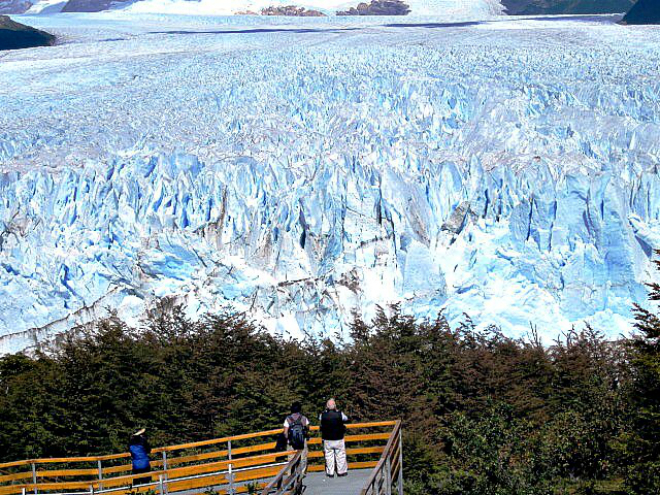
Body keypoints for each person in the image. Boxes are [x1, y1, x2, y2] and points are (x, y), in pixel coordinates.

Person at [319, 398, 349, 478]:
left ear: (327, 406)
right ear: (335, 405)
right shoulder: (340, 414)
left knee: (328, 456)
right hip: (338, 437)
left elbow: (320, 420)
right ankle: (341, 472)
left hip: (327, 438)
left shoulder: (322, 415)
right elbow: (346, 419)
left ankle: (330, 472)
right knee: (340, 455)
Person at [283, 402, 310, 473]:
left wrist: (288, 439)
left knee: (291, 459)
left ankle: (290, 474)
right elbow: (307, 429)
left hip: (291, 442)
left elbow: (285, 432)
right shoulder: (303, 418)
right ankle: (302, 473)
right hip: (302, 441)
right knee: (303, 458)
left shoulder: (288, 419)